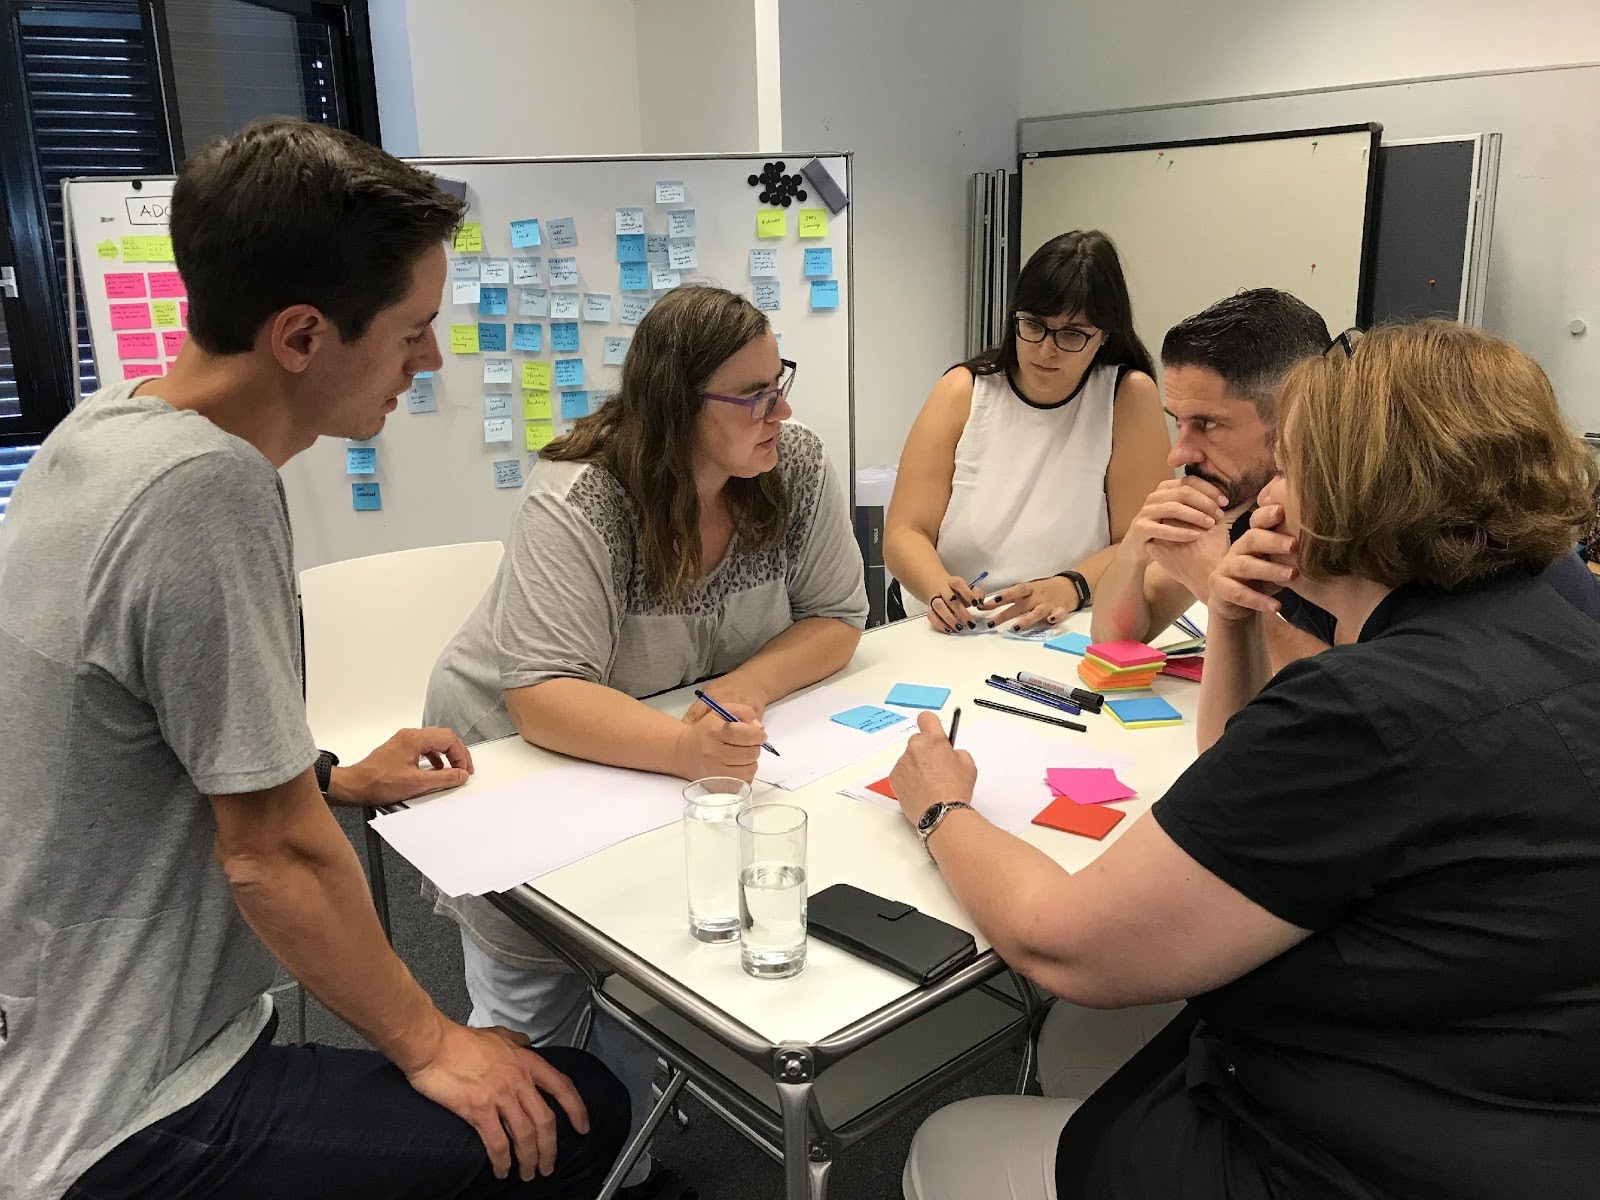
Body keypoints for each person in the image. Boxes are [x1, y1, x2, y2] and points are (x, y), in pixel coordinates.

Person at [0, 118, 631, 1200]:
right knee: (573, 1110)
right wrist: (435, 1043)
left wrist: (328, 779)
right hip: (116, 1111)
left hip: (45, 1030)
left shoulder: (106, 426)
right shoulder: (204, 492)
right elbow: (273, 859)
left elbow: (140, 728)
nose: (430, 361)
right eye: (412, 331)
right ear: (301, 336)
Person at [894, 321, 1600, 1200]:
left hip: (1368, 1150)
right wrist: (1229, 613)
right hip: (1513, 1097)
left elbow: (1058, 945)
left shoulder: (1370, 706)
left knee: (954, 1137)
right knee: (1094, 1038)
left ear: (1350, 489)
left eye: (1291, 469)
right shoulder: (1548, 620)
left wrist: (940, 807)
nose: (1269, 496)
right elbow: (1251, 766)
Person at [424, 284, 867, 1197]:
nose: (781, 411)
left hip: (658, 742)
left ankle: (626, 1160)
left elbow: (837, 615)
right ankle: (546, 1167)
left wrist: (739, 692)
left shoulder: (794, 464)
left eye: (779, 381)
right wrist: (686, 749)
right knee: (538, 986)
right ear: (675, 403)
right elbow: (543, 696)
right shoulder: (581, 498)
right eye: (753, 395)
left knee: (643, 961)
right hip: (514, 752)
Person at [1094, 292, 1600, 659]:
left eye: (1208, 424)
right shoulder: (1248, 498)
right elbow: (1116, 641)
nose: (1180, 452)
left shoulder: (1397, 507)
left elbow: (1373, 700)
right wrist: (1136, 549)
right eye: (1178, 422)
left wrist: (1218, 592)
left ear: (1292, 412)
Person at [884, 230, 1171, 635]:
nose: (1046, 349)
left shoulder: (1126, 397)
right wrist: (937, 590)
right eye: (1033, 325)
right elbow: (904, 532)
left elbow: (1142, 541)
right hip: (952, 626)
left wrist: (1071, 586)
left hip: (1066, 621)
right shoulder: (963, 391)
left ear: (1105, 335)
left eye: (1072, 334)